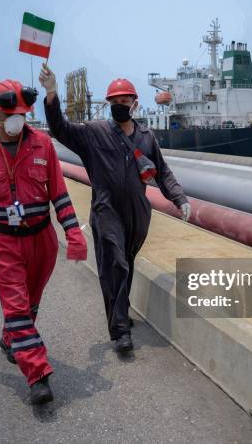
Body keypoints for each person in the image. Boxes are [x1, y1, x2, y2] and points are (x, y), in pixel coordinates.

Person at [40, 65, 191, 353]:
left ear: (134, 103)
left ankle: (119, 311)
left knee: (125, 263)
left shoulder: (146, 137)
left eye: (125, 102)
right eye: (114, 102)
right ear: (108, 105)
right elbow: (60, 128)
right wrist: (51, 94)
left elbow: (162, 171)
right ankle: (121, 330)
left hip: (137, 213)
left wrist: (179, 198)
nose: (120, 106)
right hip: (106, 209)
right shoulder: (94, 133)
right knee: (116, 264)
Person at [0, 79, 88, 405]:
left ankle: (11, 336)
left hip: (42, 241)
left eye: (22, 114)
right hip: (3, 242)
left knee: (29, 302)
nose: (17, 120)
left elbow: (59, 194)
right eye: (10, 114)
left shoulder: (43, 145)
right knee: (16, 306)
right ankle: (38, 372)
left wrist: (74, 234)